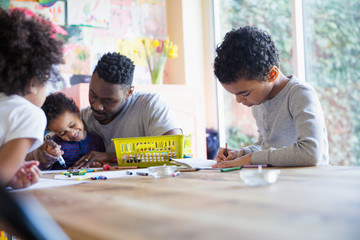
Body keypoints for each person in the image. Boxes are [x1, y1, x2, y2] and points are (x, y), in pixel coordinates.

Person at [213, 26, 329, 168]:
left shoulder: (300, 94)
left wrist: (251, 158)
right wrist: (241, 153)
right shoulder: (258, 100)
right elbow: (266, 147)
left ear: (271, 74)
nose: (239, 101)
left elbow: (311, 153)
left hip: (309, 181)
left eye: (245, 94)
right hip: (282, 181)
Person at [72, 52, 182, 168]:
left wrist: (109, 157)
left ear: (129, 93)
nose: (97, 106)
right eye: (92, 95)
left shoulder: (150, 105)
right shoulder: (81, 120)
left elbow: (173, 151)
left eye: (108, 101)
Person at [0, 9, 63, 188]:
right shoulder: (29, 114)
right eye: (46, 82)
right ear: (32, 82)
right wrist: (7, 174)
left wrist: (11, 177)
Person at [27, 93, 105, 170]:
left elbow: (104, 163)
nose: (71, 133)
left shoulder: (97, 140)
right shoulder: (55, 146)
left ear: (77, 113)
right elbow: (42, 168)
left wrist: (98, 165)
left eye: (72, 125)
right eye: (63, 133)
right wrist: (49, 159)